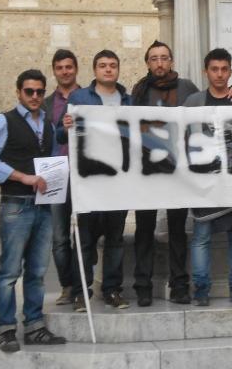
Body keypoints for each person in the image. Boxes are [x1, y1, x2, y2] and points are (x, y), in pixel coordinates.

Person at [129, 40, 232, 307]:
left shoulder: (187, 90)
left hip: (180, 172)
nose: (160, 63)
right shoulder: (138, 91)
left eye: (164, 58)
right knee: (144, 229)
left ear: (172, 62)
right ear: (148, 63)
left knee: (178, 229)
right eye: (154, 58)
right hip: (147, 173)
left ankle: (180, 284)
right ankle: (143, 285)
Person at [0, 69, 66, 352]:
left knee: (38, 271)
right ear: (19, 92)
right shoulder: (3, 121)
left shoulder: (50, 126)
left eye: (40, 92)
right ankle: (6, 329)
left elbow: (51, 160)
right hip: (16, 205)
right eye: (29, 91)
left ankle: (34, 326)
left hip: (43, 206)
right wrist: (23, 177)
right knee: (9, 272)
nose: (35, 97)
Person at [183, 48, 232, 306]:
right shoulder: (193, 102)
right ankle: (201, 287)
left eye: (224, 69)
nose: (219, 74)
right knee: (201, 235)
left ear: (231, 71)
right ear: (206, 72)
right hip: (204, 183)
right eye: (214, 69)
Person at [60, 50, 132, 312]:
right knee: (84, 240)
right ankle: (81, 292)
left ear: (118, 69)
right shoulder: (79, 98)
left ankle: (112, 290)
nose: (108, 70)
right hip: (88, 181)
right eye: (103, 65)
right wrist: (65, 125)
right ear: (94, 70)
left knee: (115, 240)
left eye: (113, 65)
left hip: (117, 182)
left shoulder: (128, 100)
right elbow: (59, 134)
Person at [43, 49, 80, 306]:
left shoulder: (88, 97)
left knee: (86, 234)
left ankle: (81, 285)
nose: (65, 71)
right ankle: (67, 286)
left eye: (69, 67)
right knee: (59, 236)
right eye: (60, 68)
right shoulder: (45, 103)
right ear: (54, 71)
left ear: (76, 68)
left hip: (83, 170)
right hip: (55, 171)